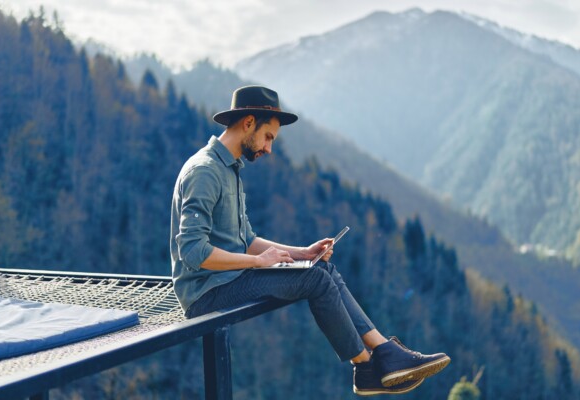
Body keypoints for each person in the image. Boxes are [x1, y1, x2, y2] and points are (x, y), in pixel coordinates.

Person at [170, 86, 450, 395]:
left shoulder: (230, 170)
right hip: (206, 293)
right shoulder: (206, 171)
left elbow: (246, 240)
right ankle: (366, 366)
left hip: (230, 279)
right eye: (269, 137)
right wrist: (257, 262)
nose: (269, 148)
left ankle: (384, 351)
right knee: (314, 280)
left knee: (321, 269)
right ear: (248, 123)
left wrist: (302, 252)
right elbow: (193, 251)